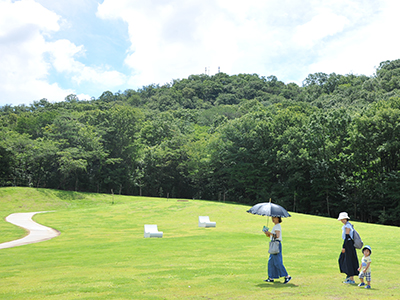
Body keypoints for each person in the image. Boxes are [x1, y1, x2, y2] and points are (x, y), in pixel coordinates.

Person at [263, 216, 292, 284]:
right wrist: (267, 233)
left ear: (278, 218)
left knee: (278, 262)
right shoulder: (275, 226)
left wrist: (269, 233)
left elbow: (277, 236)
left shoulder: (277, 226)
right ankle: (271, 277)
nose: (273, 219)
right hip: (273, 244)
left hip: (276, 244)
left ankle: (287, 276)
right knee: (271, 262)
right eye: (272, 218)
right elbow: (272, 236)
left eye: (274, 218)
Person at [337, 212, 359, 284]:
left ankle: (351, 278)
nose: (342, 220)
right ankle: (349, 276)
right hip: (349, 244)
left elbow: (347, 237)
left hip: (348, 244)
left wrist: (344, 247)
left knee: (348, 261)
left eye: (344, 219)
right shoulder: (348, 225)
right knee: (346, 260)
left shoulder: (347, 226)